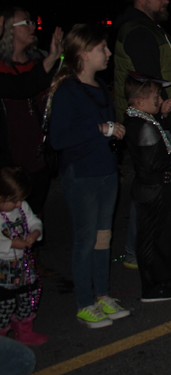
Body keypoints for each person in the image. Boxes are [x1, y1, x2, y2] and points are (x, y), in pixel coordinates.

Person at [48, 24, 131, 328]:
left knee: (103, 238)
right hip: (81, 175)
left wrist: (113, 132)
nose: (108, 53)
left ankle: (102, 295)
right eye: (102, 49)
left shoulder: (99, 87)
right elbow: (58, 138)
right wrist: (100, 130)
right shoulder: (68, 90)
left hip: (106, 172)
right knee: (85, 240)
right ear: (83, 53)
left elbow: (105, 129)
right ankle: (84, 302)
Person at [112, 0, 171, 269]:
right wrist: (161, 112)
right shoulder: (138, 31)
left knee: (152, 183)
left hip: (150, 116)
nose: (166, 0)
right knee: (151, 184)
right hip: (145, 120)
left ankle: (139, 248)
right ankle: (137, 250)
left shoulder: (148, 26)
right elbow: (148, 81)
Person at [123, 74, 171, 301]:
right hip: (152, 190)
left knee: (161, 237)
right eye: (155, 96)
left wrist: (162, 113)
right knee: (151, 239)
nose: (159, 98)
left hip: (154, 189)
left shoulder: (142, 120)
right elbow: (154, 164)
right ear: (139, 101)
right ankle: (152, 287)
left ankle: (163, 279)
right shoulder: (142, 126)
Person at [0, 8, 63, 216]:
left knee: (35, 217)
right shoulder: (3, 68)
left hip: (38, 156)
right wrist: (52, 58)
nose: (33, 27)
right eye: (25, 23)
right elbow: (22, 86)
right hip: (11, 159)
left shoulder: (37, 61)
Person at [0, 166, 46, 345]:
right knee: (5, 304)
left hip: (22, 263)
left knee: (30, 294)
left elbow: (34, 221)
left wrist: (35, 232)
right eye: (14, 201)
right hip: (3, 267)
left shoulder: (21, 207)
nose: (19, 204)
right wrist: (11, 244)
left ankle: (25, 330)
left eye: (20, 200)